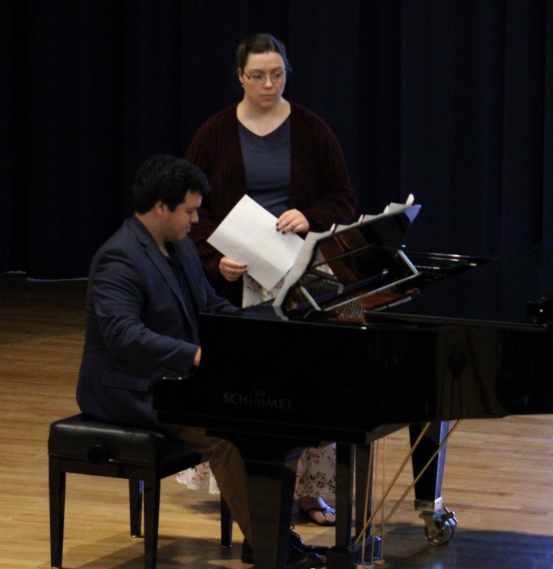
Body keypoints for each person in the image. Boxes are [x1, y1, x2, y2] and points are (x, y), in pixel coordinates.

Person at [75, 154, 322, 569]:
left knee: (264, 423)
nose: (195, 220)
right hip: (129, 389)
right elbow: (123, 335)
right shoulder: (118, 258)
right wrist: (195, 353)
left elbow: (207, 304)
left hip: (175, 381)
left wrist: (255, 332)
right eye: (189, 211)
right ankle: (271, 547)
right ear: (160, 208)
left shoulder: (181, 246)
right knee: (229, 438)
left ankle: (266, 539)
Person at [181, 33, 352, 527]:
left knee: (313, 378)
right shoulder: (214, 133)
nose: (268, 83)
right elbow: (195, 213)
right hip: (238, 279)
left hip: (302, 274)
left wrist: (309, 215)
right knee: (252, 384)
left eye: (277, 74)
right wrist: (217, 262)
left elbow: (343, 198)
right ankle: (246, 489)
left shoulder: (312, 129)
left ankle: (309, 493)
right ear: (240, 77)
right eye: (257, 75)